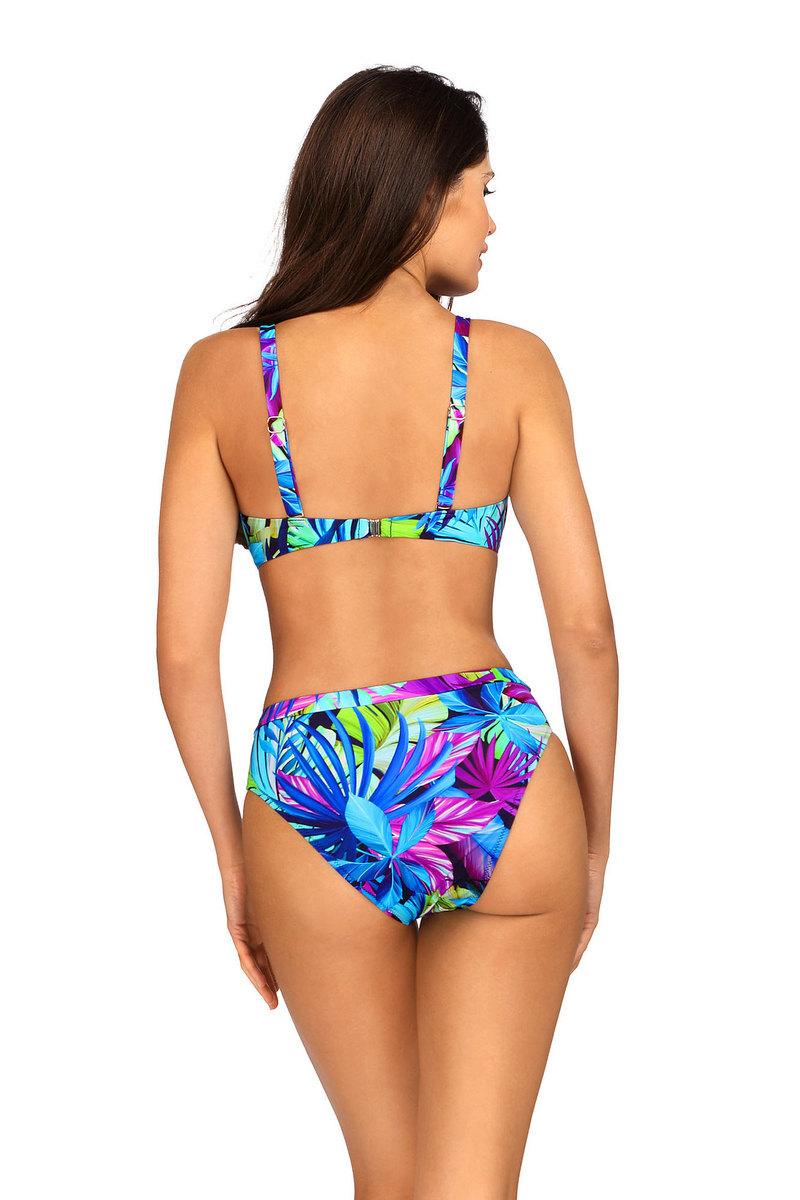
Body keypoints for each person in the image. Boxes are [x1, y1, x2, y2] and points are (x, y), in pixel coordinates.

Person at [157, 64, 618, 1200]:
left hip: (312, 781)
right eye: (481, 191)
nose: (491, 222)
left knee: (389, 1178)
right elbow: (584, 626)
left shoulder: (223, 376)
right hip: (490, 765)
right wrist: (594, 838)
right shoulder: (510, 365)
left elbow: (182, 651)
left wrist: (232, 855)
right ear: (420, 196)